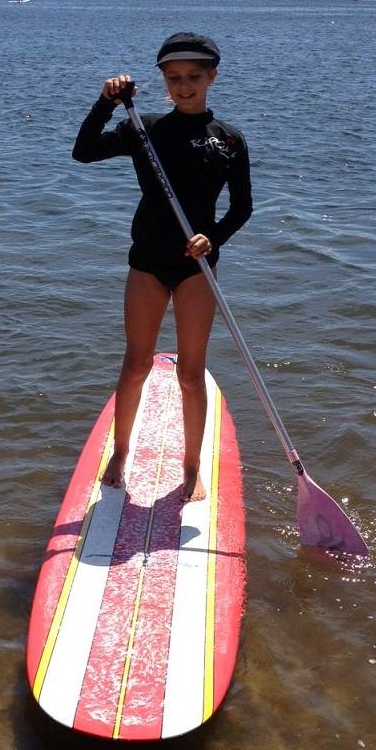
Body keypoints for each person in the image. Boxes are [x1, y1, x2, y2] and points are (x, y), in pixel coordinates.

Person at [72, 32, 252, 501]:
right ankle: (120, 452)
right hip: (147, 263)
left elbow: (242, 208)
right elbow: (84, 151)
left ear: (212, 77)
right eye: (173, 78)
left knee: (191, 373)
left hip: (197, 268)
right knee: (136, 365)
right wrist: (106, 102)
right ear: (163, 81)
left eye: (193, 77)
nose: (183, 86)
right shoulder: (143, 127)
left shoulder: (229, 139)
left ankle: (191, 466)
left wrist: (213, 237)